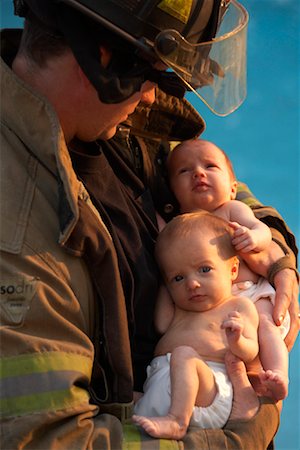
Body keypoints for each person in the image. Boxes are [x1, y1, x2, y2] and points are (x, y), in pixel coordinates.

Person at [1, 0, 298, 448]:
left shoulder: (121, 124)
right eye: (153, 74)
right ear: (102, 58)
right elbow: (57, 438)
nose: (152, 96)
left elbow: (221, 185)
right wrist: (241, 436)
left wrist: (277, 257)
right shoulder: (15, 221)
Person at [166, 138, 290, 401]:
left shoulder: (232, 209)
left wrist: (254, 238)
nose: (198, 173)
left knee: (266, 325)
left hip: (250, 293)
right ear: (172, 192)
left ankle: (277, 374)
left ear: (233, 188)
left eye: (210, 166)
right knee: (219, 345)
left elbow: (262, 230)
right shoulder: (179, 227)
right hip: (213, 303)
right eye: (184, 171)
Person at [133, 211, 260, 439]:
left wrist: (238, 339)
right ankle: (164, 414)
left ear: (233, 270)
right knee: (125, 397)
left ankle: (177, 422)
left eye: (204, 269)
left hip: (209, 390)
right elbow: (161, 326)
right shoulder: (179, 309)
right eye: (178, 278)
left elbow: (251, 352)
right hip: (160, 385)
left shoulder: (238, 306)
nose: (192, 283)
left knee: (183, 355)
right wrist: (165, 284)